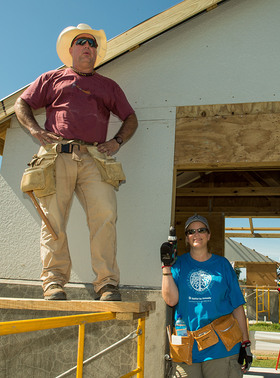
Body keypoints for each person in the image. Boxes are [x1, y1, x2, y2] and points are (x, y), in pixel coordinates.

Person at [14, 23, 138, 301]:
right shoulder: (50, 78)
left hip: (94, 158)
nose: (87, 47)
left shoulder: (108, 86)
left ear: (96, 52)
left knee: (105, 217)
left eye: (92, 44)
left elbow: (131, 118)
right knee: (52, 221)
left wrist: (116, 142)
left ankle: (106, 283)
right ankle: (54, 282)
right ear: (70, 49)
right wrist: (35, 130)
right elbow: (21, 104)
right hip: (57, 156)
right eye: (81, 42)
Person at [161, 214, 252, 378]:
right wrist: (166, 267)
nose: (196, 234)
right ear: (187, 238)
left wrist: (245, 343)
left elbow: (237, 306)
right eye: (191, 231)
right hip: (187, 348)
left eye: (201, 230)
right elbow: (171, 300)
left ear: (208, 235)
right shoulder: (178, 265)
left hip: (222, 347)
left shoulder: (222, 265)